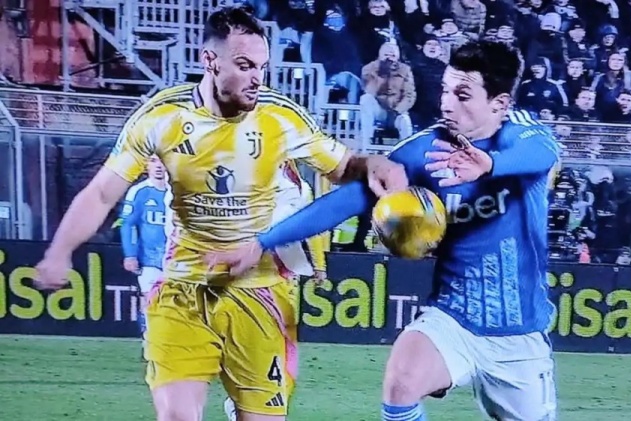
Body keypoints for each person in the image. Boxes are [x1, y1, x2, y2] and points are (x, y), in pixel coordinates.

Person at [32, 5, 407, 421]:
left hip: (260, 292)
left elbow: (343, 166)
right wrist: (59, 252)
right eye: (245, 66)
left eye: (262, 67)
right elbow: (102, 193)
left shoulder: (280, 117)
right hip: (183, 289)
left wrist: (373, 163)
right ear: (209, 60)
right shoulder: (163, 116)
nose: (257, 78)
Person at [251, 40, 560, 421]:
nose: (447, 104)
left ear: (499, 104)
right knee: (402, 382)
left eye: (462, 95)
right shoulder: (424, 150)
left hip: (519, 336)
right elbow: (345, 201)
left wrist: (489, 164)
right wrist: (263, 242)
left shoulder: (521, 134)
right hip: (454, 317)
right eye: (446, 90)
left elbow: (544, 153)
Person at [223, 161, 328, 421]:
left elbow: (312, 226)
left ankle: (253, 407)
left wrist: (319, 265)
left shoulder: (299, 186)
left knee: (285, 357)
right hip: (250, 281)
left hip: (285, 280)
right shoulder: (241, 177)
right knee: (258, 352)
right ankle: (247, 405)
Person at [120, 156, 168, 343]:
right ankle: (150, 340)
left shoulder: (179, 192)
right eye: (153, 161)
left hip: (177, 258)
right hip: (149, 258)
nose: (158, 166)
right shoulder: (139, 192)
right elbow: (128, 224)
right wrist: (130, 254)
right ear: (146, 165)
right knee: (151, 298)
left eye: (162, 161)